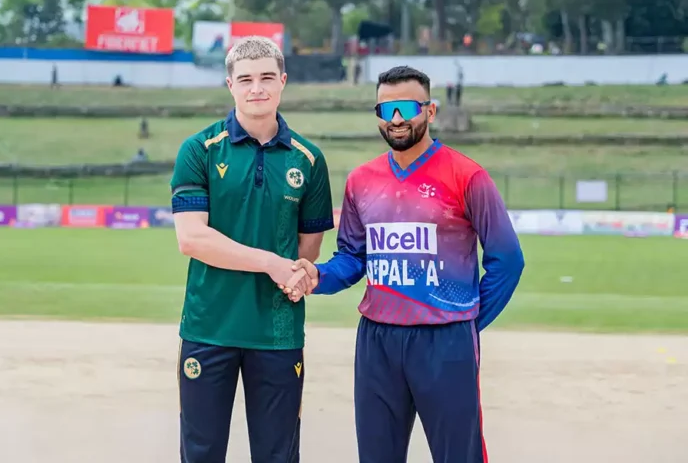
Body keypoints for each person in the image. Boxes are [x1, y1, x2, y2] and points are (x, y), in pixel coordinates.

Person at [282, 65, 525, 462]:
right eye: (385, 109)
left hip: (445, 340)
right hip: (377, 341)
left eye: (407, 107)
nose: (396, 118)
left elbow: (508, 260)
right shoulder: (361, 180)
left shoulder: (467, 175)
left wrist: (468, 321)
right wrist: (317, 275)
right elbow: (353, 258)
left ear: (430, 110)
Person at [170, 35, 334, 462]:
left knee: (278, 455)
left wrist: (294, 272)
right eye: (245, 79)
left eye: (266, 78)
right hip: (209, 327)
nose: (256, 88)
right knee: (201, 453)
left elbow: (308, 249)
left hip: (278, 333)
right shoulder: (199, 150)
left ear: (283, 81)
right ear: (230, 85)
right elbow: (191, 239)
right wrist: (270, 263)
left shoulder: (309, 160)